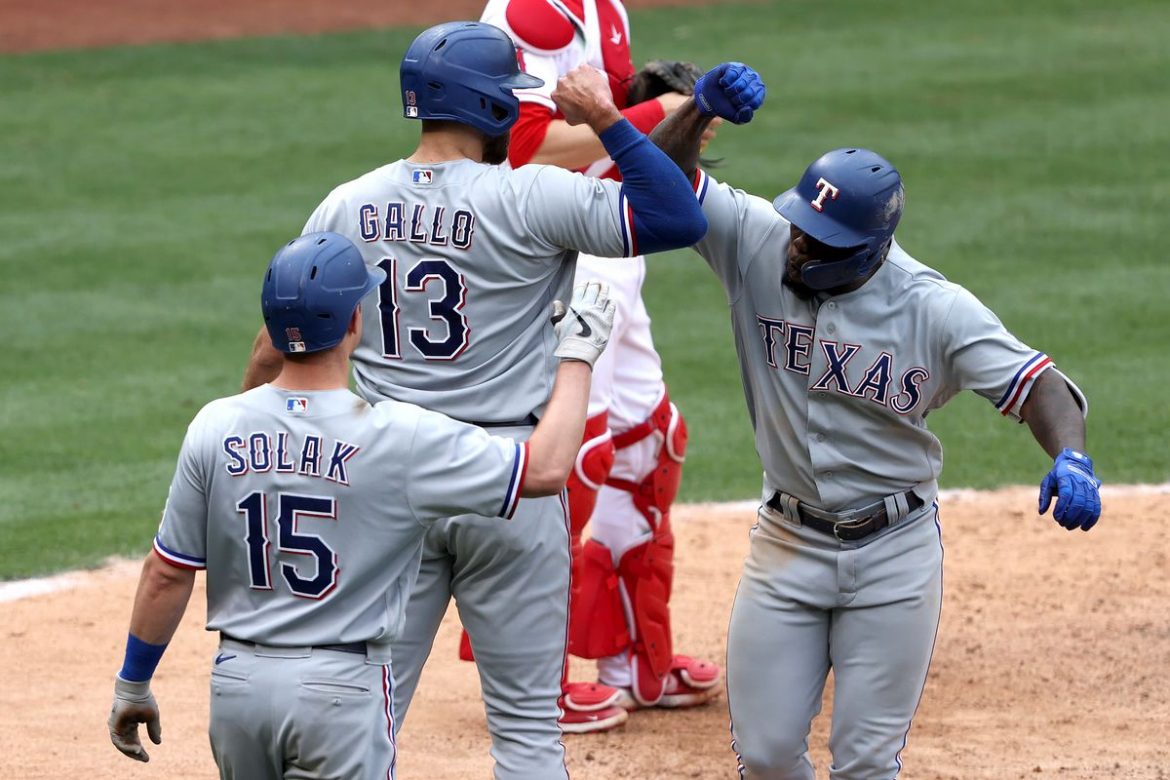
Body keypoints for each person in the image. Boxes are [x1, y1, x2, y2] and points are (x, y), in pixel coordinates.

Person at [241, 21, 761, 778]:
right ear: (490, 108)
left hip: (388, 486)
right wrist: (616, 121)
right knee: (525, 736)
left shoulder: (344, 208)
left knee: (362, 717)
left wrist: (251, 453)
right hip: (513, 480)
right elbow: (676, 217)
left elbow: (272, 350)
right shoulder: (531, 200)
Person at [648, 91, 1104, 778]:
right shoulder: (757, 241)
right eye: (798, 227)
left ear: (868, 250)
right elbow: (657, 176)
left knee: (865, 763)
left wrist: (1072, 456)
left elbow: (1040, 384)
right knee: (766, 756)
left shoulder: (934, 309)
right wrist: (698, 107)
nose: (796, 245)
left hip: (894, 554)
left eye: (816, 242)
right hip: (785, 545)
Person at [106, 231, 617, 777]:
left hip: (237, 688)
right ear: (354, 324)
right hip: (339, 694)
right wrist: (578, 355)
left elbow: (167, 572)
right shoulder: (396, 437)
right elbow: (543, 469)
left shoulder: (215, 425)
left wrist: (133, 682)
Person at [477, 0, 724, 732]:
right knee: (572, 461)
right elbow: (520, 151)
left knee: (648, 442)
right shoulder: (527, 16)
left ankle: (637, 664)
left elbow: (601, 122)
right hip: (557, 251)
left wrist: (668, 113)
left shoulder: (601, 6)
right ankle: (536, 688)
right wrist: (653, 119)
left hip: (610, 239)